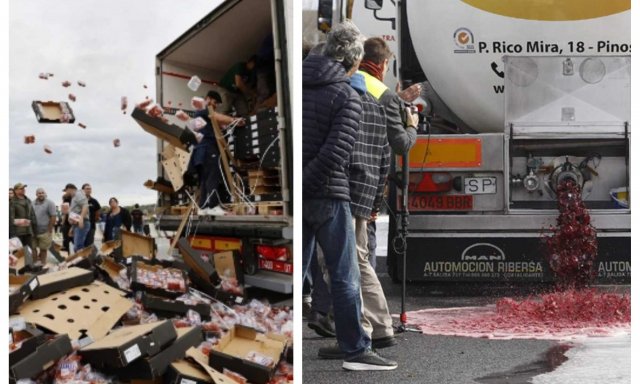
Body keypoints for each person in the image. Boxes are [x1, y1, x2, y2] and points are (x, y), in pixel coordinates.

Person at [303, 21, 397, 371]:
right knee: (345, 275)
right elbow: (336, 152)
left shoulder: (298, 85)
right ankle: (356, 351)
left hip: (303, 195)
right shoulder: (347, 94)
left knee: (298, 275)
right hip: (330, 195)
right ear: (354, 60)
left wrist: (298, 185)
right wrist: (310, 182)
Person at [357, 37, 419, 155]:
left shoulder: (346, 78)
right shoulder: (385, 95)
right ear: (384, 63)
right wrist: (412, 125)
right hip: (368, 163)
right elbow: (402, 145)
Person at [188, 90, 245, 215]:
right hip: (208, 149)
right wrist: (234, 120)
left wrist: (223, 124)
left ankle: (203, 207)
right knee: (213, 177)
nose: (215, 105)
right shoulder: (204, 109)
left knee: (204, 179)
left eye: (217, 104)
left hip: (200, 152)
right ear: (208, 99)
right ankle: (213, 206)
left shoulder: (198, 113)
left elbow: (215, 121)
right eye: (214, 102)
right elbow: (217, 117)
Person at [9, 183, 37, 250]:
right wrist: (12, 234)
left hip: (29, 231)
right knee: (18, 252)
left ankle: (29, 261)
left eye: (24, 188)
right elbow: (11, 218)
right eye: (21, 188)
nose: (23, 190)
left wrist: (35, 229)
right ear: (15, 190)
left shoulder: (28, 200)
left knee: (29, 250)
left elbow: (33, 215)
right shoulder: (12, 202)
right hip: (17, 232)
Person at [64, 183, 90, 253]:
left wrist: (81, 218)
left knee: (78, 246)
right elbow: (76, 212)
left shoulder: (78, 194)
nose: (66, 193)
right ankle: (81, 262)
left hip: (82, 222)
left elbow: (85, 205)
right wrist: (72, 227)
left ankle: (83, 262)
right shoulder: (74, 197)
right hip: (76, 224)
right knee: (77, 246)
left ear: (69, 189)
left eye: (66, 191)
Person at [33, 188, 56, 264]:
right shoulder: (32, 203)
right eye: (39, 193)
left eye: (42, 193)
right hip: (33, 231)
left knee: (43, 249)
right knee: (33, 248)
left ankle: (43, 264)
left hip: (45, 231)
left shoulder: (50, 203)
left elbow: (53, 216)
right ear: (36, 194)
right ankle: (35, 264)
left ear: (45, 194)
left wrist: (50, 229)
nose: (41, 194)